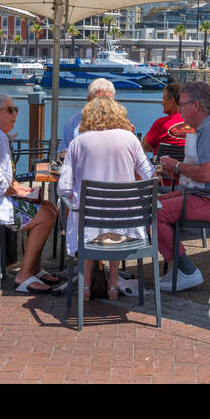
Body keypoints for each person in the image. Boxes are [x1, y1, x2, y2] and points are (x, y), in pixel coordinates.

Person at [0, 92, 59, 293]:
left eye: (15, 109)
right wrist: (18, 192)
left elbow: (5, 173)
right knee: (46, 217)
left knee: (50, 207)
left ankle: (34, 268)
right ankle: (23, 276)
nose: (14, 114)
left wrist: (20, 188)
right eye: (9, 110)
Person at [58, 95, 154, 300]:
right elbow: (150, 176)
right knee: (113, 221)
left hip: (89, 232)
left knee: (87, 221)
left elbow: (64, 188)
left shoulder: (78, 142)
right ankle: (112, 284)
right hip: (127, 230)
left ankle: (85, 287)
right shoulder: (130, 139)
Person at [154, 81, 210, 291]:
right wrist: (179, 169)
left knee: (154, 212)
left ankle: (187, 270)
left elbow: (207, 174)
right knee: (151, 204)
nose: (180, 109)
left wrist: (178, 166)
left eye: (182, 104)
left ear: (197, 105)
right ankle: (179, 268)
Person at [59, 77, 117, 158]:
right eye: (99, 100)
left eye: (107, 100)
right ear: (89, 99)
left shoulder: (121, 123)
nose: (103, 104)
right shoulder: (74, 122)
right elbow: (63, 151)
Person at [144, 81, 191, 153]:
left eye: (164, 99)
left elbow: (144, 147)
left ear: (172, 101)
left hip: (163, 163)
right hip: (189, 163)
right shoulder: (196, 122)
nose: (162, 103)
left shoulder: (161, 124)